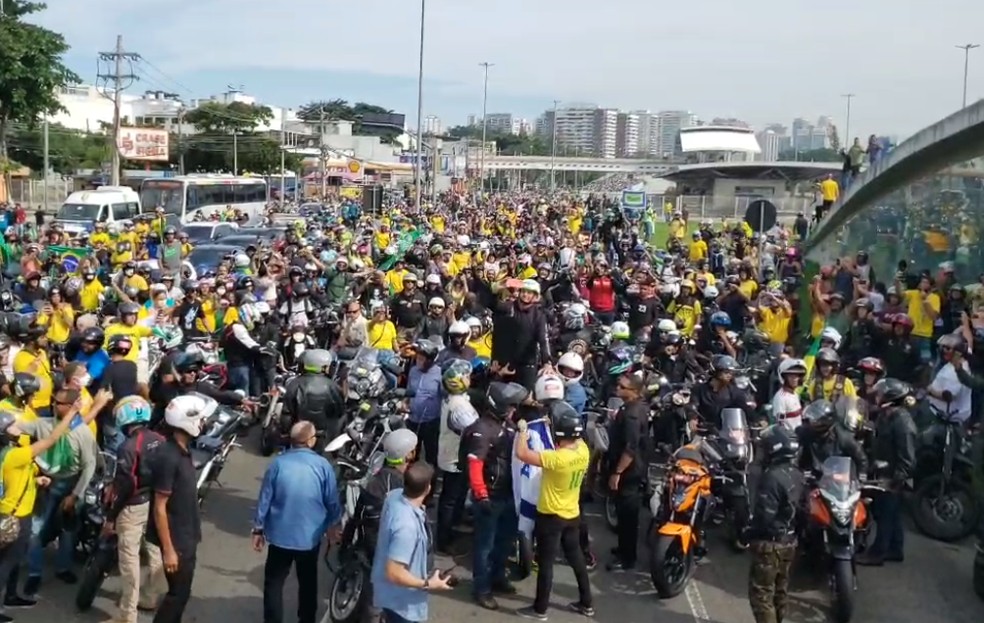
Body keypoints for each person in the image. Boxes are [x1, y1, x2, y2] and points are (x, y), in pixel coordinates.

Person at [13, 386, 100, 598]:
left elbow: (89, 466)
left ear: (71, 407)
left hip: (71, 484)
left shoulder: (83, 433)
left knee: (68, 531)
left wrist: (75, 495)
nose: (54, 405)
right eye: (54, 401)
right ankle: (34, 573)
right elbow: (19, 426)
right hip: (46, 484)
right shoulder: (44, 425)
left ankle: (63, 568)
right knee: (35, 530)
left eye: (59, 403)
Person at [253, 421, 343, 623]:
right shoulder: (323, 466)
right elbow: (332, 501)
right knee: (308, 583)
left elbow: (264, 499)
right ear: (310, 441)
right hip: (309, 539)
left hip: (279, 537)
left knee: (274, 584)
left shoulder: (278, 464)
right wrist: (333, 525)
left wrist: (258, 529)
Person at [513, 401, 594, 620]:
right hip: (572, 513)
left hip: (550, 516)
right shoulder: (583, 451)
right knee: (576, 558)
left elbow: (522, 453)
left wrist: (522, 430)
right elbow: (570, 440)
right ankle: (586, 603)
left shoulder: (557, 459)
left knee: (546, 564)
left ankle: (540, 609)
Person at [0, 407, 76, 620]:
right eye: (11, 427)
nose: (17, 428)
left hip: (8, 513)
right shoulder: (16, 455)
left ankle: (11, 596)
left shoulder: (8, 455)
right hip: (17, 517)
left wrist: (35, 480)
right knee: (7, 563)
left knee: (12, 560)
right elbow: (51, 439)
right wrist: (72, 413)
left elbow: (10, 481)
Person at [460, 382, 528, 610]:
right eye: (510, 405)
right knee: (484, 547)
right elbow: (474, 465)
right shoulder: (482, 429)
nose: (513, 409)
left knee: (504, 542)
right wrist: (481, 495)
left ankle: (498, 577)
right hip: (490, 497)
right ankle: (482, 588)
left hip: (508, 495)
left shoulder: (506, 424)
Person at [103, 395, 167, 623]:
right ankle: (151, 596)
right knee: (154, 549)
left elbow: (127, 483)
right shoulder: (159, 439)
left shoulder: (128, 446)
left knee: (129, 561)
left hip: (132, 507)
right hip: (155, 503)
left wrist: (112, 515)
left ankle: (127, 616)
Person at [148, 395, 211, 623]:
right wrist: (169, 550)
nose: (203, 424)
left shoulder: (182, 450)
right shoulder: (169, 457)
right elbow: (159, 507)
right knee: (177, 595)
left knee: (181, 594)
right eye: (200, 419)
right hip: (178, 541)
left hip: (185, 536)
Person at [371, 462, 454, 623]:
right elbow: (394, 572)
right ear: (428, 489)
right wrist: (428, 584)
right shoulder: (406, 528)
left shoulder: (394, 496)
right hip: (401, 603)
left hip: (390, 594)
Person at [352, 428, 418, 623]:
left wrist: (348, 542)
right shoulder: (402, 487)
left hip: (370, 546)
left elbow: (357, 514)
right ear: (408, 454)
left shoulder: (376, 479)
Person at [746, 425, 804, 623]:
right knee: (780, 590)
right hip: (790, 541)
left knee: (762, 595)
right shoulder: (797, 474)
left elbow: (764, 517)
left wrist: (748, 533)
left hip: (770, 545)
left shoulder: (771, 478)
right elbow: (804, 509)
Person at [857, 378, 916, 566]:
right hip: (883, 472)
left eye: (881, 394)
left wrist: (896, 481)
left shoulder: (903, 424)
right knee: (893, 513)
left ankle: (877, 553)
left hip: (893, 477)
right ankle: (895, 549)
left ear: (890, 398)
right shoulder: (886, 415)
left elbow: (908, 459)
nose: (877, 396)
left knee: (885, 514)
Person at [604, 372, 650, 571]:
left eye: (623, 387)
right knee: (622, 514)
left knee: (628, 515)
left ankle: (627, 558)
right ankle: (623, 548)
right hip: (628, 469)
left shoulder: (632, 414)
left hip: (630, 472)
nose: (618, 388)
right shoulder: (630, 408)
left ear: (635, 392)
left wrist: (617, 473)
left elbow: (631, 448)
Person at [435, 360, 478, 554]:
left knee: (453, 496)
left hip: (448, 454)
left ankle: (451, 528)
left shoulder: (452, 399)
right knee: (450, 500)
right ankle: (444, 540)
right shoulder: (459, 406)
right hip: (454, 458)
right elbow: (473, 429)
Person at [281, 350, 345, 449]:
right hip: (322, 436)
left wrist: (286, 433)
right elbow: (339, 412)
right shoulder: (333, 386)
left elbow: (287, 414)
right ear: (324, 367)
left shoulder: (295, 384)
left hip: (299, 435)